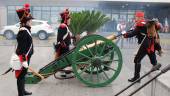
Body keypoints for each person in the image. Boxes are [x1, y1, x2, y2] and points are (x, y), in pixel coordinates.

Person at [123, 11, 162, 82]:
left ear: (140, 17)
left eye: (137, 17)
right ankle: (158, 71)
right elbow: (135, 30)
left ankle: (136, 77)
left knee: (137, 60)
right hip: (151, 43)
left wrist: (125, 34)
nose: (136, 18)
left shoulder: (140, 25)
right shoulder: (148, 24)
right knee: (153, 60)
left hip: (145, 44)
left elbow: (133, 33)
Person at [15, 4, 34, 96]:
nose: (31, 21)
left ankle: (23, 91)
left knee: (23, 75)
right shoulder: (23, 31)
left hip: (26, 56)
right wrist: (23, 60)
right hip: (23, 58)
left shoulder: (26, 29)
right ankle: (20, 94)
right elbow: (22, 49)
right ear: (25, 21)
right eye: (30, 20)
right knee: (21, 76)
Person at [54, 9, 74, 78]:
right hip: (62, 47)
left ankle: (66, 72)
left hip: (65, 46)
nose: (70, 21)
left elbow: (65, 36)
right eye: (69, 20)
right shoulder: (62, 26)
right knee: (64, 60)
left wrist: (72, 37)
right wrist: (64, 46)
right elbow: (60, 38)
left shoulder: (65, 26)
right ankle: (63, 73)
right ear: (66, 19)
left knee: (66, 60)